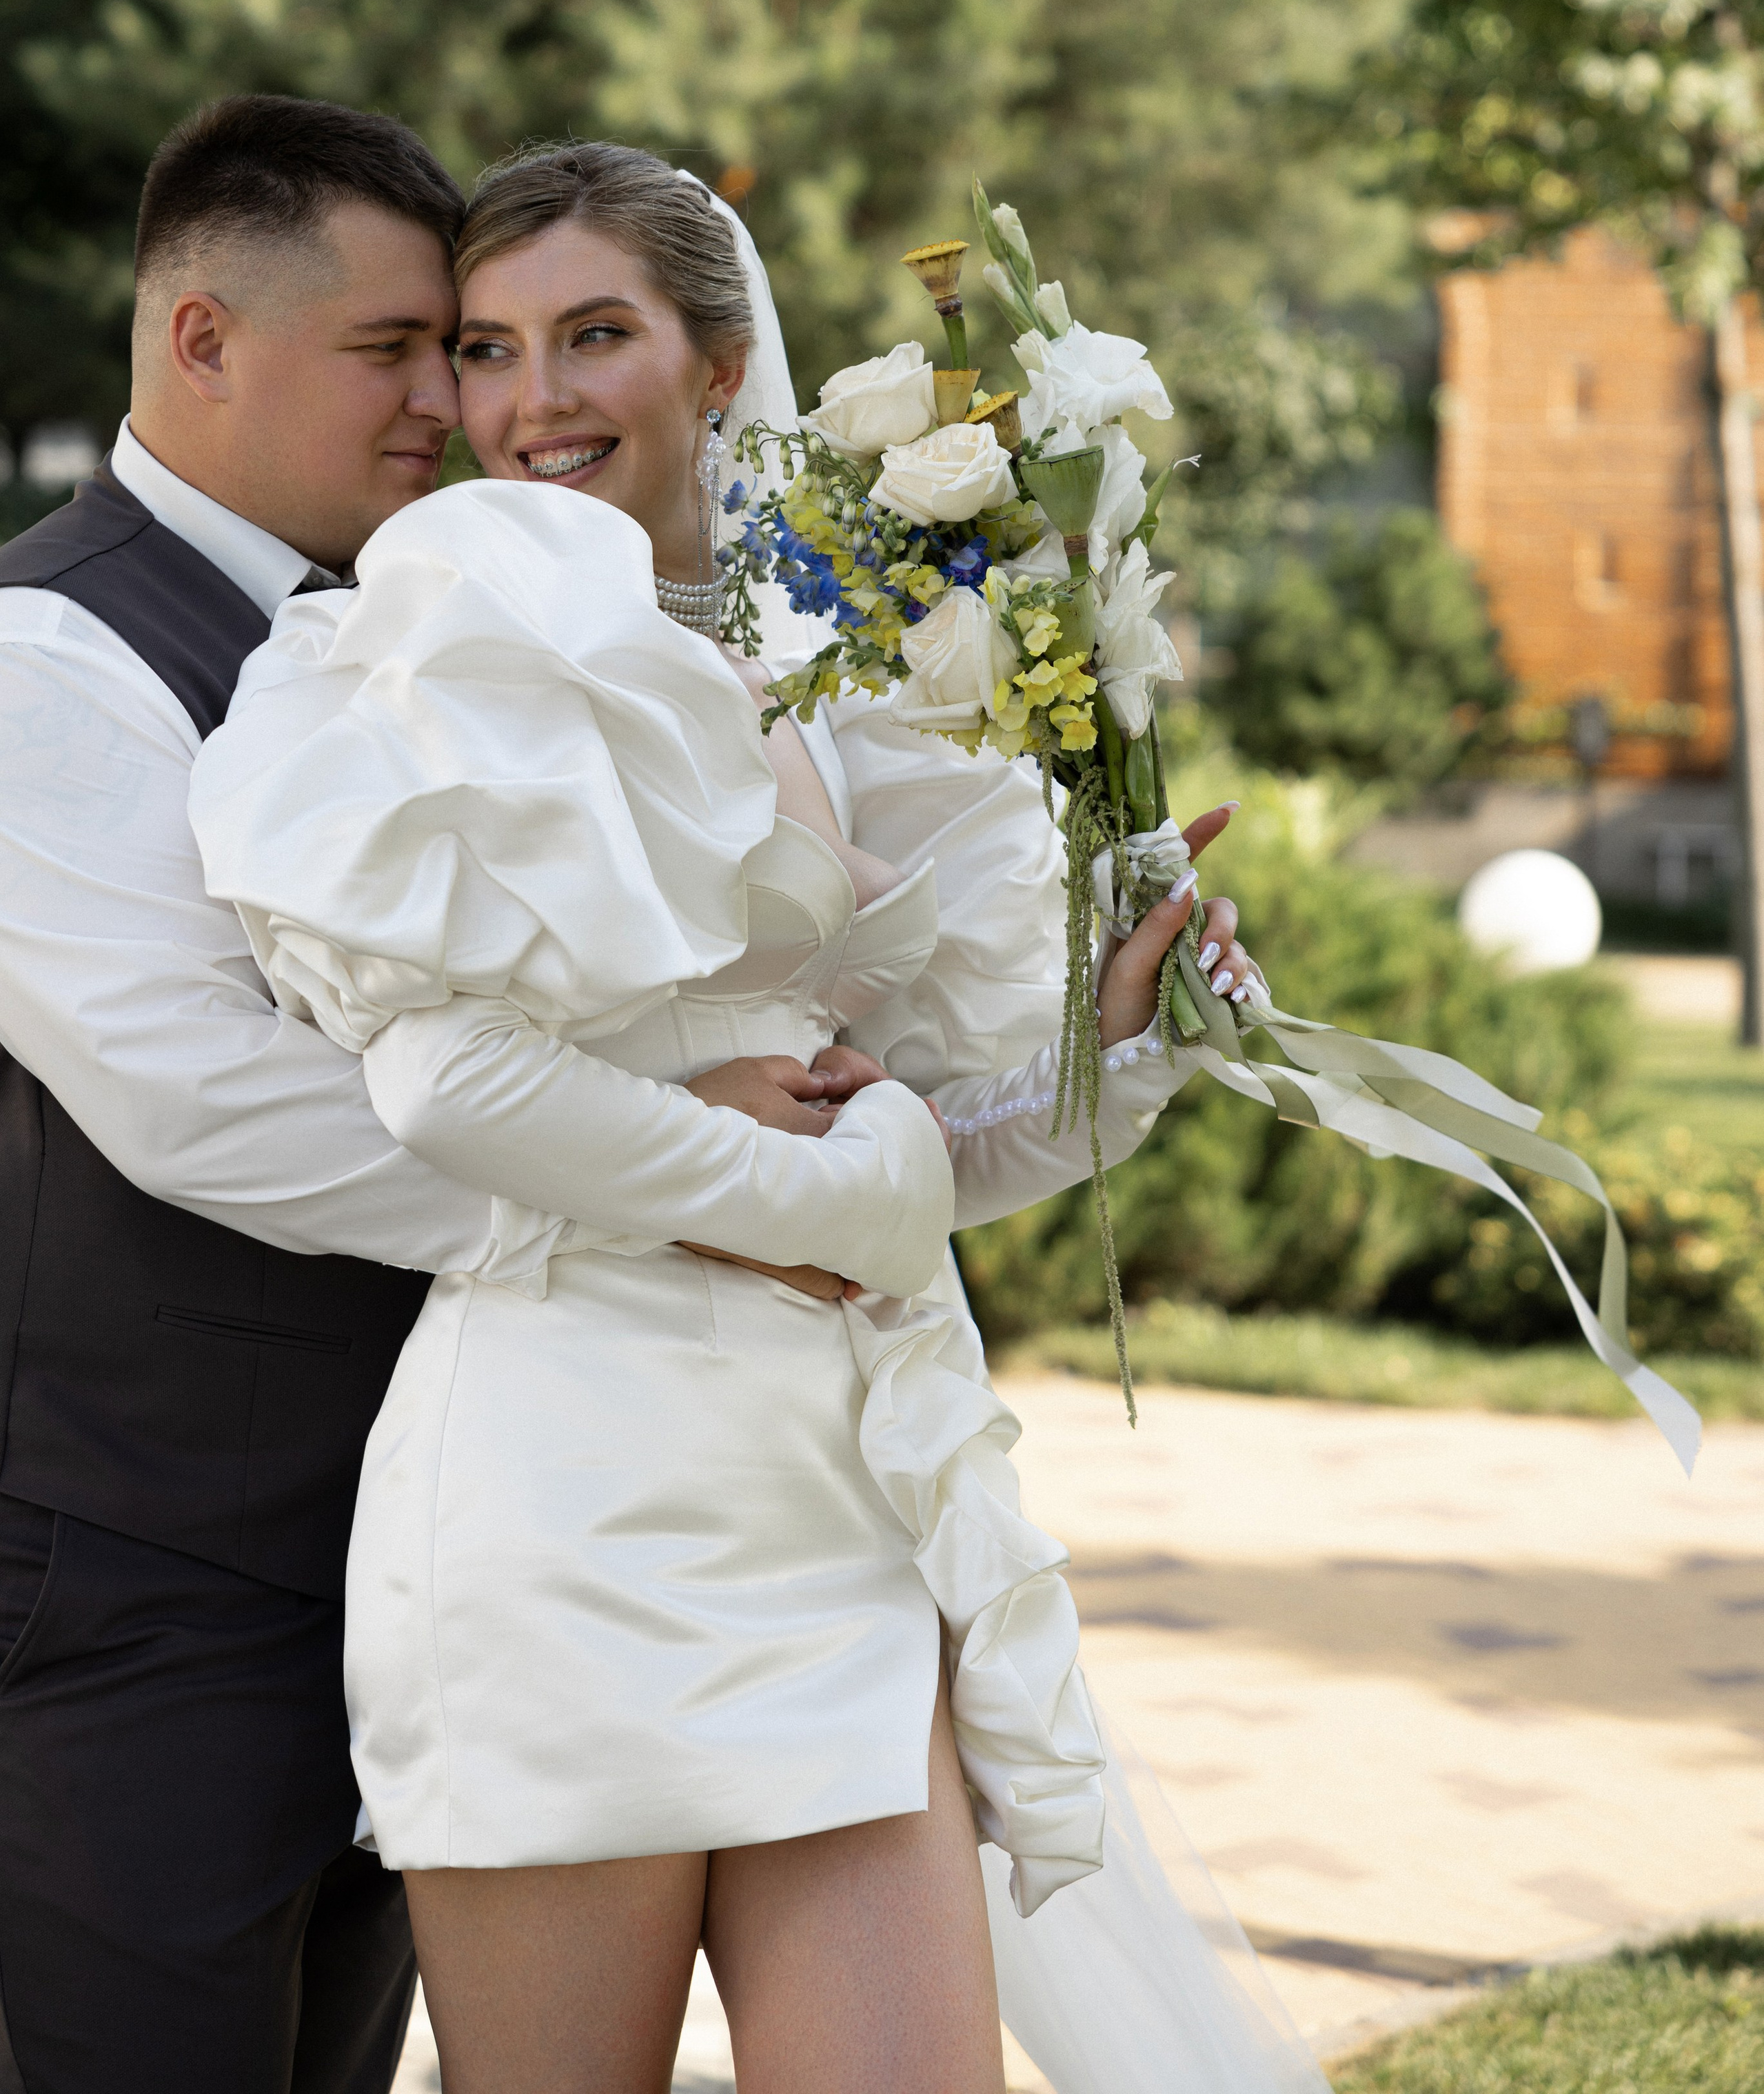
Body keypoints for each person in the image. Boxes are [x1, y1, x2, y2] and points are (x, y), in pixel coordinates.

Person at [190, 142, 1307, 2094]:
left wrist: (1126, 1052)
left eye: (592, 336)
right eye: (486, 348)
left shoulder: (834, 667)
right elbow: (449, 1083)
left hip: (839, 1501)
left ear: (718, 367)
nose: (531, 399)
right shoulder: (422, 648)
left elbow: (882, 1143)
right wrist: (843, 1193)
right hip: (561, 1508)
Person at [0, 98, 995, 2094]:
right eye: (404, 350)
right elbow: (204, 1099)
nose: (444, 411)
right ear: (204, 340)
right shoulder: (48, 652)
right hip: (149, 1592)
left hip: (435, 1517)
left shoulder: (447, 624)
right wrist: (699, 1190)